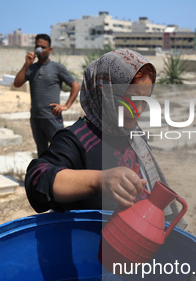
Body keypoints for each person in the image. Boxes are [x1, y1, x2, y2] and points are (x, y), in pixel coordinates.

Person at [25, 49, 185, 226]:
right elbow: (37, 181)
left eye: (144, 100)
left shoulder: (133, 134)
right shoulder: (76, 139)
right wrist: (99, 181)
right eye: (130, 98)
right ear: (104, 93)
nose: (138, 110)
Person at [13, 33, 81, 157]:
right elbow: (17, 83)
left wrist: (66, 106)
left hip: (52, 117)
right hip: (36, 118)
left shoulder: (57, 68)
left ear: (50, 50)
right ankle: (45, 175)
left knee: (60, 149)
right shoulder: (31, 68)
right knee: (42, 152)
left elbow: (75, 86)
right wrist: (26, 64)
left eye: (43, 47)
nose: (40, 50)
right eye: (37, 47)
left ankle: (63, 174)